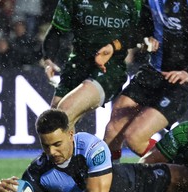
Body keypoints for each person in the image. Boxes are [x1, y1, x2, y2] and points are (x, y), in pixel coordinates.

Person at [0, 109, 188, 192]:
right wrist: (2, 191)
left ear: (70, 135)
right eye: (46, 146)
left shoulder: (90, 145)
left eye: (57, 144)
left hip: (137, 175)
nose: (52, 152)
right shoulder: (38, 170)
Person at [103, 0, 188, 162]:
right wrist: (144, 41)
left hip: (181, 81)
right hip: (152, 73)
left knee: (135, 138)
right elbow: (141, 30)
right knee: (112, 130)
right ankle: (110, 182)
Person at [42, 0, 152, 128]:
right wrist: (48, 59)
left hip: (110, 69)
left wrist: (114, 46)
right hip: (76, 66)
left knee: (62, 114)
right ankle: (75, 148)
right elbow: (56, 30)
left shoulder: (135, 2)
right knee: (52, 124)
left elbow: (142, 33)